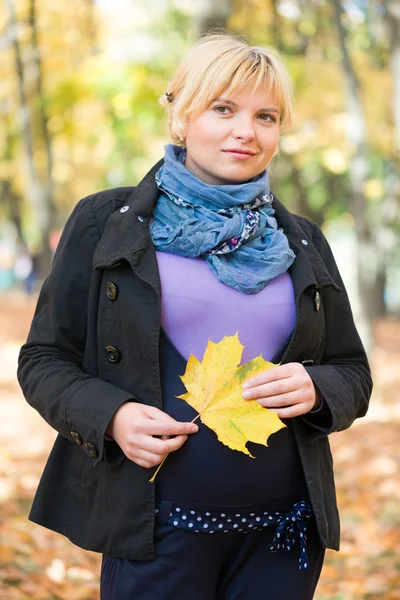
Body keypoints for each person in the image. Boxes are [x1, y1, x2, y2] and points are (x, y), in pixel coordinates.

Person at [17, 33, 372, 600]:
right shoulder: (106, 221)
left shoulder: (304, 241)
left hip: (282, 540)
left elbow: (353, 372)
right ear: (181, 116)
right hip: (155, 535)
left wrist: (319, 386)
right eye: (223, 109)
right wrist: (111, 416)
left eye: (266, 116)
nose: (245, 131)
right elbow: (43, 360)